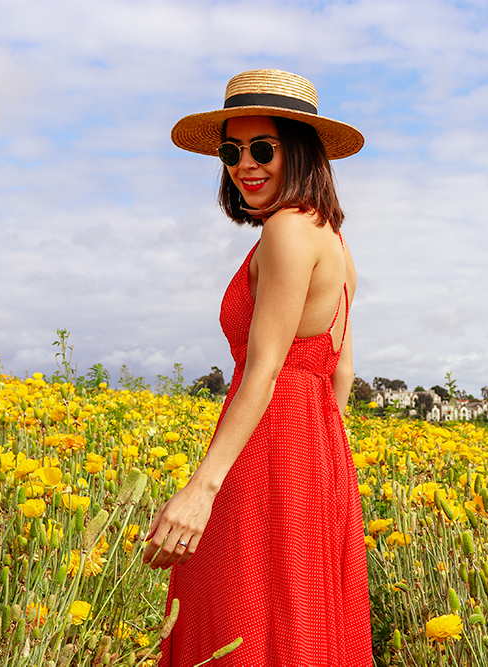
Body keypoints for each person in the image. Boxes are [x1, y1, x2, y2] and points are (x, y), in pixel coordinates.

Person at [143, 69, 372, 665]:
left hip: (267, 448)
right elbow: (340, 370)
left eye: (262, 148)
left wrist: (201, 488)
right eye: (231, 150)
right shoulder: (336, 242)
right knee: (299, 626)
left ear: (298, 151)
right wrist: (321, 459)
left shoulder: (288, 231)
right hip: (317, 450)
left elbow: (264, 371)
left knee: (233, 621)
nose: (244, 164)